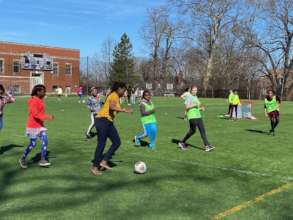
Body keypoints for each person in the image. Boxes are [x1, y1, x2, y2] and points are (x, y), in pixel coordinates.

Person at [90, 82, 133, 176]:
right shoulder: (114, 95)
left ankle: (104, 161)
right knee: (101, 144)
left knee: (117, 142)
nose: (124, 92)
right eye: (124, 90)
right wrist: (124, 110)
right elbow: (112, 107)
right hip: (102, 120)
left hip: (108, 122)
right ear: (119, 89)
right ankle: (94, 166)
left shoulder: (116, 96)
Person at [19, 85, 54, 168]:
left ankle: (42, 159)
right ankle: (22, 158)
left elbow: (39, 113)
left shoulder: (39, 100)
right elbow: (35, 114)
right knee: (32, 144)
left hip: (40, 126)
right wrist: (48, 117)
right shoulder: (34, 101)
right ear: (38, 92)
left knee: (45, 140)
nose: (45, 93)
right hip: (32, 126)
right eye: (43, 91)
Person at [178, 85, 214, 152]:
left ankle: (182, 142)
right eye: (194, 90)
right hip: (192, 117)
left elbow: (197, 107)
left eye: (196, 90)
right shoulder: (189, 97)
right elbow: (187, 107)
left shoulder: (196, 97)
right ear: (191, 90)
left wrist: (201, 108)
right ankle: (207, 146)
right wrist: (194, 105)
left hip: (198, 116)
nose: (195, 91)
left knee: (194, 131)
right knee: (199, 130)